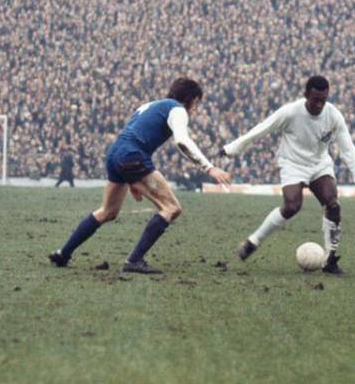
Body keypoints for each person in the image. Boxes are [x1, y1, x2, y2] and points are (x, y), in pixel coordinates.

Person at [49, 77, 231, 273]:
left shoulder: (149, 105)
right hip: (132, 155)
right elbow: (182, 141)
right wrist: (210, 168)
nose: (195, 108)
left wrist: (132, 179)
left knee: (107, 211)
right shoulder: (177, 109)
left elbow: (137, 133)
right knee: (172, 208)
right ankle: (134, 260)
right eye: (196, 102)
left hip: (115, 153)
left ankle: (63, 253)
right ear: (190, 98)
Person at [223, 75, 355, 275]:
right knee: (292, 206)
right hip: (293, 164)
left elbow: (347, 148)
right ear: (306, 95)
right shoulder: (290, 112)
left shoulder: (333, 115)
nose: (319, 104)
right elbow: (262, 129)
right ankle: (253, 241)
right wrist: (232, 148)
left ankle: (330, 260)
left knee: (333, 205)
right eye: (315, 99)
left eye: (323, 100)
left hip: (319, 165)